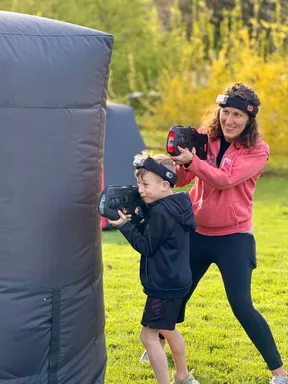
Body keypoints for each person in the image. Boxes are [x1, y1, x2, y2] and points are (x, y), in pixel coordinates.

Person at [167, 82, 287, 384]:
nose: (229, 120)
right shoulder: (205, 138)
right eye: (225, 113)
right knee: (175, 292)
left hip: (235, 238)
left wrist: (194, 161)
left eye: (237, 115)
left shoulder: (258, 150)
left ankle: (279, 374)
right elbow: (182, 180)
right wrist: (179, 162)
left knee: (242, 305)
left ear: (249, 119)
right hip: (197, 231)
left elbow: (224, 180)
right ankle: (157, 342)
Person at [107, 153, 200, 384]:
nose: (140, 189)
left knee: (148, 337)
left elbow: (146, 246)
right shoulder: (177, 205)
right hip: (178, 280)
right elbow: (157, 236)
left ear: (165, 184)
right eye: (139, 183)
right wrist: (138, 220)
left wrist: (124, 225)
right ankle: (183, 376)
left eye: (145, 184)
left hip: (163, 285)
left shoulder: (160, 211)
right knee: (168, 329)